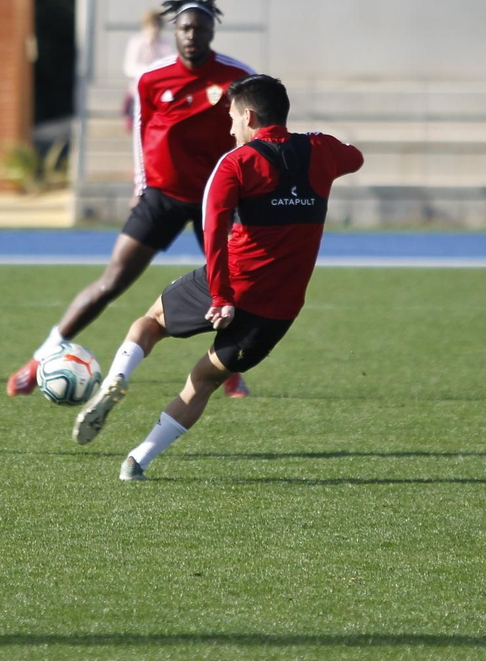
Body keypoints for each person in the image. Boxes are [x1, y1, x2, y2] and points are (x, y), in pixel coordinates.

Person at [72, 74, 364, 480]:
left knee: (151, 322)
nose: (230, 130)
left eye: (232, 119)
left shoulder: (236, 163)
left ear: (249, 116)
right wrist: (310, 148)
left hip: (231, 285)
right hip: (278, 312)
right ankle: (137, 461)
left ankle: (117, 378)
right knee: (203, 381)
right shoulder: (322, 150)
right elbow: (356, 157)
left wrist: (222, 297)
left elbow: (213, 230)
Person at [6, 0, 257, 399]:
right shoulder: (150, 78)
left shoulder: (238, 77)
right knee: (111, 282)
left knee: (230, 288)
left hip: (216, 200)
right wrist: (141, 187)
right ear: (174, 31)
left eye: (200, 28)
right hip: (161, 196)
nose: (192, 35)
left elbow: (254, 134)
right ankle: (39, 360)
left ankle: (229, 372)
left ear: (212, 32)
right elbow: (141, 134)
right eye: (185, 28)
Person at [121, 8, 174, 130]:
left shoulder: (166, 44)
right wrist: (150, 72)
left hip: (159, 93)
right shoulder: (136, 43)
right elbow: (129, 68)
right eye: (151, 24)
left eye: (157, 24)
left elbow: (170, 65)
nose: (154, 28)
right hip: (139, 92)